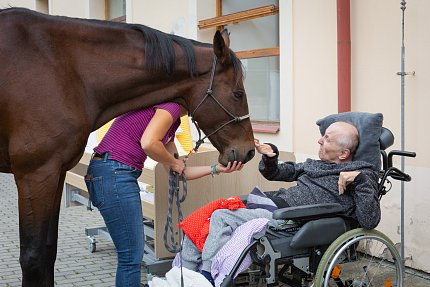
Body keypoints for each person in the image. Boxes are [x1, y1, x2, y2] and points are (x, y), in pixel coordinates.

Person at [177, 121, 381, 286]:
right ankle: (183, 276)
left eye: (327, 139)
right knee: (205, 216)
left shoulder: (363, 174)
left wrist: (360, 179)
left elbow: (369, 220)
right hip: (271, 205)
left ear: (344, 153)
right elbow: (276, 172)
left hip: (289, 219)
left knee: (221, 216)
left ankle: (207, 277)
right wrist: (271, 156)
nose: (319, 141)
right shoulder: (316, 165)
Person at [84, 102, 243, 287]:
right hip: (114, 172)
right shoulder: (171, 106)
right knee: (130, 257)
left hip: (112, 172)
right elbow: (149, 143)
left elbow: (180, 172)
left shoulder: (170, 125)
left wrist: (218, 169)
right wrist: (175, 163)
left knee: (130, 256)